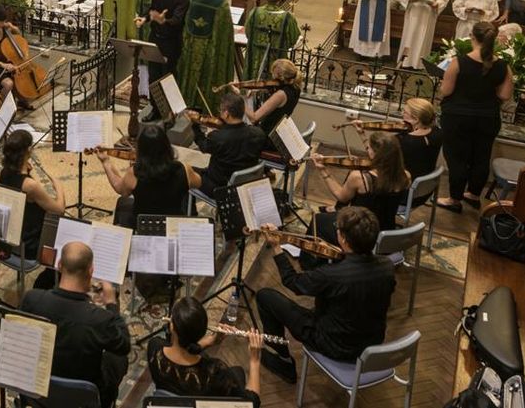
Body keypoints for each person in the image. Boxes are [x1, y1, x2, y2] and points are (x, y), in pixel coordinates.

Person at [253, 206, 395, 383]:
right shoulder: (387, 266)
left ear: (342, 238)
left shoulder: (331, 275)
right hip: (371, 342)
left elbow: (293, 282)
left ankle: (283, 362)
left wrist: (276, 247)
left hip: (335, 345)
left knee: (265, 297)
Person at [21, 242, 130, 408]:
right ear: (91, 271)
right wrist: (112, 304)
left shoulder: (32, 299)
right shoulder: (101, 320)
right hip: (83, 399)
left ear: (59, 265)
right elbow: (124, 345)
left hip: (38, 390)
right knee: (117, 358)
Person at [437, 21, 514, 211]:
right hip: (488, 118)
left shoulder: (459, 62)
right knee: (481, 156)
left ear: (472, 36)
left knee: (456, 158)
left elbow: (445, 91)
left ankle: (454, 199)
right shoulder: (503, 66)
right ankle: (473, 194)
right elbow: (505, 95)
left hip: (457, 117)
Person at [146, 297, 262, 405]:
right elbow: (251, 403)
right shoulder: (215, 371)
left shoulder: (155, 348)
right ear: (202, 331)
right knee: (238, 372)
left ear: (172, 327)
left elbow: (184, 349)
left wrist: (210, 341)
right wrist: (254, 360)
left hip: (169, 404)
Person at [311, 130, 410, 243]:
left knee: (317, 220)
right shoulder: (406, 176)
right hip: (386, 232)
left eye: (369, 148)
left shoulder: (358, 178)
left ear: (375, 154)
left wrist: (323, 170)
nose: (367, 150)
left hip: (359, 233)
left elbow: (341, 197)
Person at [98, 123, 199, 229]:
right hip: (173, 226)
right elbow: (198, 182)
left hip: (144, 225)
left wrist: (106, 162)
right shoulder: (184, 169)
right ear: (167, 146)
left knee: (123, 202)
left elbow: (120, 188)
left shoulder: (134, 173)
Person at [0, 129, 65, 288]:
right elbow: (59, 209)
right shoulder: (30, 185)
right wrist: (59, 187)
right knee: (68, 236)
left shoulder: (4, 173)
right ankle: (50, 280)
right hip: (30, 244)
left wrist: (29, 172)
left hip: (13, 236)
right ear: (28, 151)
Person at [176, 0, 235, 113]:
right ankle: (205, 104)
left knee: (189, 72)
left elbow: (182, 22)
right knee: (207, 75)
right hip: (210, 50)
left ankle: (185, 100)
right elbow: (226, 32)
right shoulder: (221, 4)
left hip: (190, 46)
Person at [191, 92, 264, 198]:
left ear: (226, 114)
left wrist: (194, 126)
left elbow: (203, 146)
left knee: (187, 172)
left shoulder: (217, 137)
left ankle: (189, 211)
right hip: (245, 185)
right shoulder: (258, 133)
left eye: (221, 110)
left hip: (220, 188)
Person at [397, 0, 449, 69]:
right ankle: (405, 61)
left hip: (427, 15)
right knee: (409, 36)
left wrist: (437, 3)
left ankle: (419, 64)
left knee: (423, 38)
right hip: (413, 13)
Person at [242, 0, 299, 80]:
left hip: (255, 55)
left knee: (253, 81)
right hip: (277, 57)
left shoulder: (255, 12)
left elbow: (248, 32)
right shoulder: (287, 17)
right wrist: (282, 46)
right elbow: (293, 38)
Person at [396, 98, 443, 201]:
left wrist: (362, 134)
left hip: (404, 195)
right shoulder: (437, 133)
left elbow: (375, 157)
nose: (402, 114)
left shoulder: (404, 141)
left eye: (405, 112)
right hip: (424, 192)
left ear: (416, 119)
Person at [243, 58, 301, 137]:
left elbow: (254, 118)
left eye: (273, 74)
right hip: (278, 133)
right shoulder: (295, 88)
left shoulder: (280, 95)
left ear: (280, 77)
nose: (272, 78)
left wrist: (240, 101)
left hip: (266, 137)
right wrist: (258, 91)